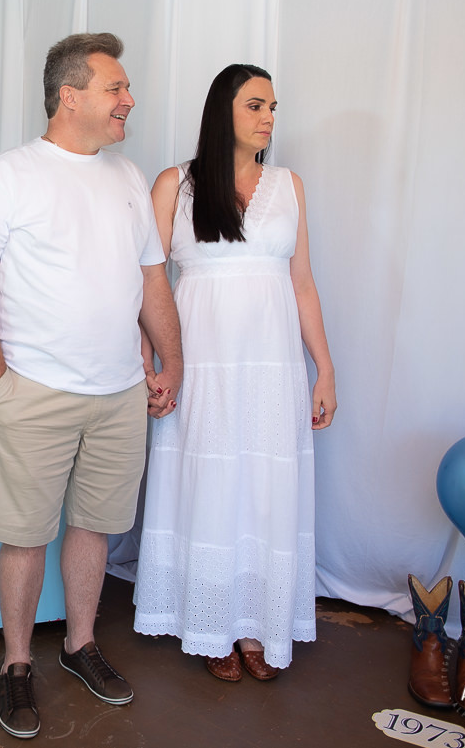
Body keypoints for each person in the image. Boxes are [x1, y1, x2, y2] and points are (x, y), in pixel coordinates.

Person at [0, 32, 183, 740]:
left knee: (95, 525)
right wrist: (2, 386)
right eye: (117, 88)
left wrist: (172, 363)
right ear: (70, 96)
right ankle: (17, 663)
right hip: (35, 391)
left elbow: (152, 281)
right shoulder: (5, 176)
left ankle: (80, 645)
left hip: (120, 393)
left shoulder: (127, 177)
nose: (130, 99)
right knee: (23, 536)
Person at [132, 64, 336, 682]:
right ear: (222, 110)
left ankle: (254, 624)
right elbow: (146, 282)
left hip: (272, 366)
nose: (269, 117)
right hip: (202, 362)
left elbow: (303, 283)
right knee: (209, 483)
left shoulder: (290, 186)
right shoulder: (175, 184)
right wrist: (149, 363)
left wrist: (325, 369)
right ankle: (209, 622)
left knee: (264, 490)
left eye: (273, 107)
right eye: (255, 105)